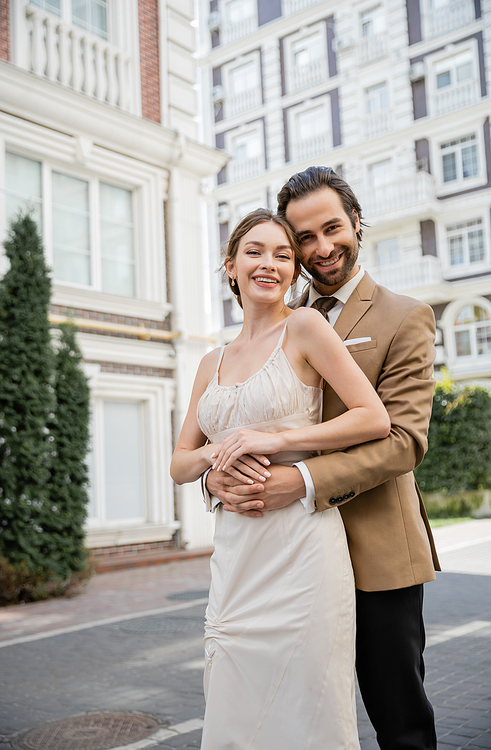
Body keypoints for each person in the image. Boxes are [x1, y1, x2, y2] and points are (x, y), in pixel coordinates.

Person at [204, 167, 441, 750]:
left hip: (378, 550)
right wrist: (220, 480)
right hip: (289, 558)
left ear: (357, 223)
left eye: (332, 228)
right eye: (304, 237)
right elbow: (238, 422)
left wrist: (302, 480)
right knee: (299, 708)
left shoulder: (403, 316)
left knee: (399, 720)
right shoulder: (275, 319)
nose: (321, 247)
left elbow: (404, 439)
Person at [171, 208, 391, 749]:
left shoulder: (305, 327)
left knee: (306, 709)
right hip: (237, 557)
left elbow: (373, 418)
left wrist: (273, 440)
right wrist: (215, 459)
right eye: (255, 251)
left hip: (302, 550)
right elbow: (180, 463)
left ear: (295, 272)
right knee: (234, 707)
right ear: (230, 265)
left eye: (283, 255)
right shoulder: (210, 362)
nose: (269, 264)